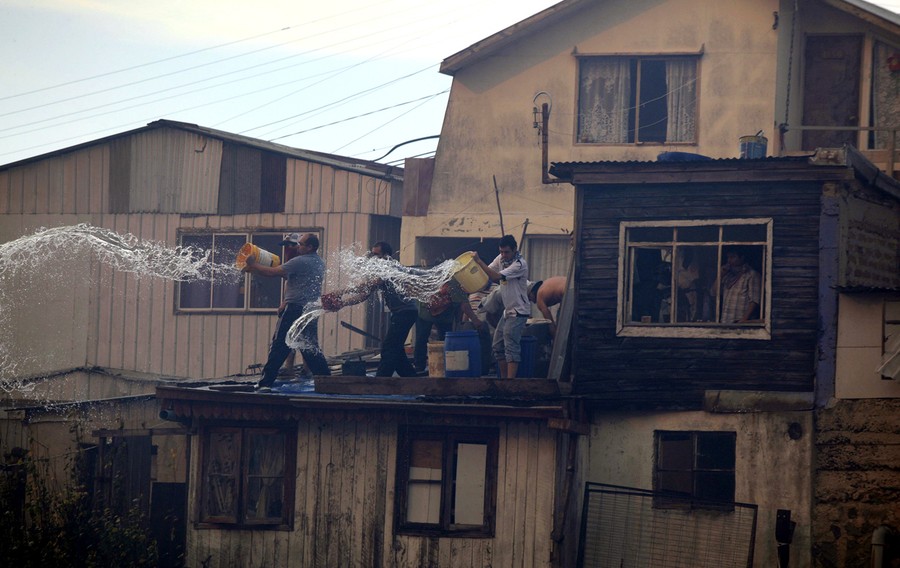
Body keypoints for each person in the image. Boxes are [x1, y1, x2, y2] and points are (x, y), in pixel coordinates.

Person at [242, 232, 331, 389]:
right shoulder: (319, 262)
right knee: (309, 346)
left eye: (301, 244)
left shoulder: (300, 261)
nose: (298, 246)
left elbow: (272, 273)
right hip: (310, 310)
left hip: (295, 308)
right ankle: (328, 381)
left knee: (280, 344)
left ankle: (265, 383)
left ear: (310, 247)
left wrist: (253, 264)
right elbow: (295, 279)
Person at [332, 242, 421, 377]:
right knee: (396, 348)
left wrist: (343, 291)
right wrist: (343, 303)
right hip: (401, 312)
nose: (373, 258)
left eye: (376, 254)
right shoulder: (380, 269)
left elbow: (369, 285)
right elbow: (363, 295)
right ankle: (410, 378)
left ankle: (381, 379)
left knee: (389, 348)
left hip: (406, 312)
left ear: (386, 255)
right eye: (372, 254)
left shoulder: (390, 266)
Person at [472, 235, 529, 379]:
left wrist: (479, 261)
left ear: (515, 250)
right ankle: (503, 381)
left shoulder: (519, 264)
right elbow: (487, 271)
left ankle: (510, 383)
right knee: (497, 347)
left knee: (511, 348)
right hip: (507, 312)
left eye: (507, 252)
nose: (503, 255)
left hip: (518, 312)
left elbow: (496, 277)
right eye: (501, 252)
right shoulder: (501, 259)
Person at [414, 278, 485, 374]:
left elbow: (462, 305)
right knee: (430, 339)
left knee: (426, 339)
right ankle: (434, 366)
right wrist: (475, 320)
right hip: (428, 313)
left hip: (438, 314)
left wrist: (465, 320)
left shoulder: (451, 281)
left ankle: (427, 366)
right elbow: (464, 305)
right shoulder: (454, 283)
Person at [719, 246, 761, 323]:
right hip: (726, 321)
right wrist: (721, 274)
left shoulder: (751, 275)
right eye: (728, 257)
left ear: (742, 258)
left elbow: (754, 300)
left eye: (733, 257)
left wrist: (743, 319)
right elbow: (714, 293)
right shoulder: (728, 276)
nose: (729, 260)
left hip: (739, 321)